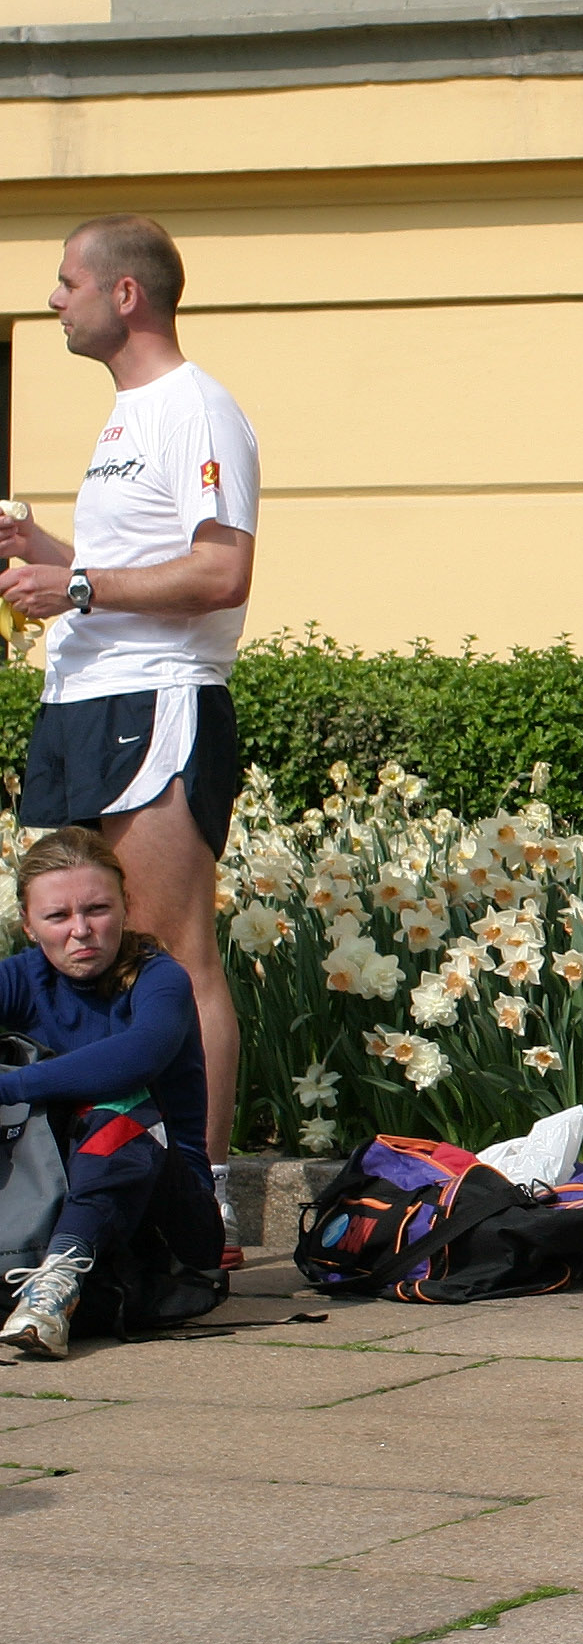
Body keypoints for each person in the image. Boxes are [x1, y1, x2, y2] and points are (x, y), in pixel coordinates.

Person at [9, 215, 256, 1267]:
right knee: (86, 950)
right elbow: (130, 571)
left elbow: (221, 571)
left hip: (158, 701)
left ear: (125, 295)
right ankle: (112, 1191)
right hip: (88, 696)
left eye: (67, 280)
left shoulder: (195, 405)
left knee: (170, 955)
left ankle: (204, 1205)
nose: (51, 298)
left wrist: (75, 582)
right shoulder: (125, 418)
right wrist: (51, 553)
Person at [0, 826, 227, 1360]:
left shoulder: (159, 978)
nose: (80, 931)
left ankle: (56, 1283)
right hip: (56, 1196)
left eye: (97, 909)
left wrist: (11, 1085)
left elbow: (137, 1056)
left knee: (121, 1105)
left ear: (126, 905)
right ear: (29, 925)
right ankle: (48, 1277)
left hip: (170, 1221)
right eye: (57, 916)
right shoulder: (23, 978)